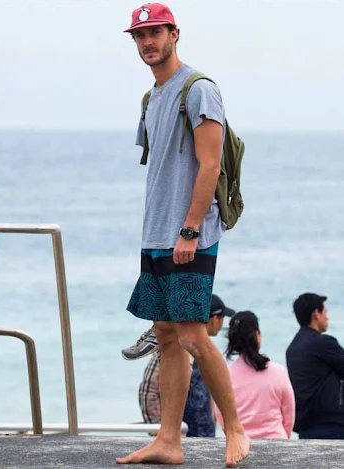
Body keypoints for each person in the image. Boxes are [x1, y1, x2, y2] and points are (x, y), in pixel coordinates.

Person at [115, 4, 250, 467]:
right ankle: (169, 440)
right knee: (166, 335)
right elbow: (160, 169)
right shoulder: (152, 97)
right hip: (156, 234)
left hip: (190, 232)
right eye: (140, 35)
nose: (147, 42)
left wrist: (190, 229)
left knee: (192, 334)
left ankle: (235, 428)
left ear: (175, 33)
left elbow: (209, 164)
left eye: (155, 33)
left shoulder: (200, 90)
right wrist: (163, 233)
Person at [140, 294, 235, 439]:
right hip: (183, 438)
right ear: (215, 319)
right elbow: (148, 392)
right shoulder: (179, 347)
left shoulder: (205, 354)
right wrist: (160, 432)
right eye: (222, 319)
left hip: (204, 437)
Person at [216, 311, 295, 439]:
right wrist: (283, 438)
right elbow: (289, 415)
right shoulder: (278, 372)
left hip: (241, 445)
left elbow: (221, 415)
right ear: (257, 335)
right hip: (276, 442)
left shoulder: (225, 375)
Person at [286, 293, 344, 439]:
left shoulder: (292, 348)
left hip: (305, 429)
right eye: (325, 312)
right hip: (331, 427)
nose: (327, 317)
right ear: (316, 314)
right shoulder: (323, 343)